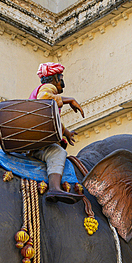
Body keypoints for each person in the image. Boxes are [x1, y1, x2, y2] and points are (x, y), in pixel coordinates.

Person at [29, 62, 85, 203]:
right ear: (55, 78)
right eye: (61, 78)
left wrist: (66, 133)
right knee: (58, 153)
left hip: (34, 140)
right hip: (38, 143)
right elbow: (44, 98)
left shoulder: (41, 90)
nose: (62, 82)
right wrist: (69, 100)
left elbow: (53, 121)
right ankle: (54, 188)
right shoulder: (49, 88)